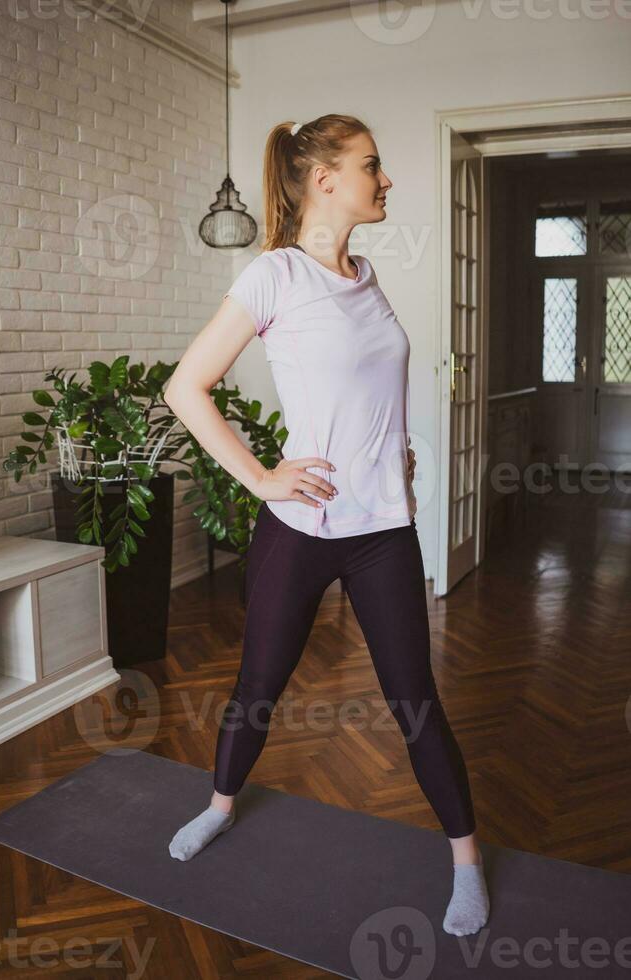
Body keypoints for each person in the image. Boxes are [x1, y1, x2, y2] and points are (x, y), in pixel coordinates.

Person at [163, 114, 489, 937]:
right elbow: (184, 388)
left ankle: (466, 865)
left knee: (414, 702)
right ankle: (219, 807)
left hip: (383, 529)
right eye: (372, 166)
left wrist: (396, 459)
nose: (385, 181)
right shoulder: (273, 275)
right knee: (258, 688)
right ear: (324, 180)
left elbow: (365, 395)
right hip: (298, 526)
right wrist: (263, 477)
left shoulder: (367, 275)